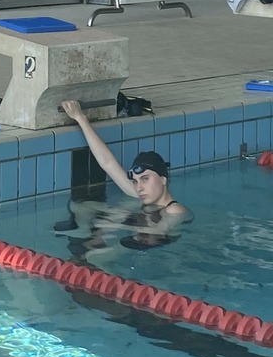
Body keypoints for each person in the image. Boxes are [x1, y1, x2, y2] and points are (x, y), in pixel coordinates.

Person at [54, 98, 190, 250]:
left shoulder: (175, 209)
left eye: (145, 179)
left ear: (163, 179)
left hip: (157, 251)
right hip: (138, 243)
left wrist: (117, 222)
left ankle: (90, 245)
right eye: (136, 181)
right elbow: (107, 162)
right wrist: (80, 118)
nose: (139, 187)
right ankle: (85, 234)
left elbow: (157, 232)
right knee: (82, 206)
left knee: (114, 222)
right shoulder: (141, 195)